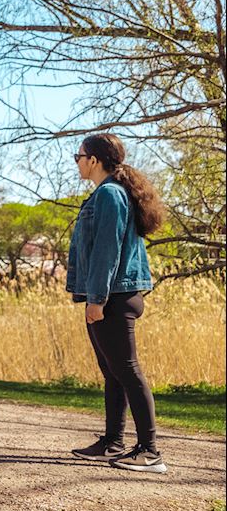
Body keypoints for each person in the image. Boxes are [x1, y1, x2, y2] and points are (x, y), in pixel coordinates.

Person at [65, 134, 166, 474]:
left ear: (93, 159)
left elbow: (107, 250)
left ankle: (150, 452)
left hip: (113, 297)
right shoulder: (108, 193)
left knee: (128, 372)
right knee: (113, 373)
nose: (76, 161)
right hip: (112, 294)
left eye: (78, 156)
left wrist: (97, 300)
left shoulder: (109, 194)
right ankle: (113, 441)